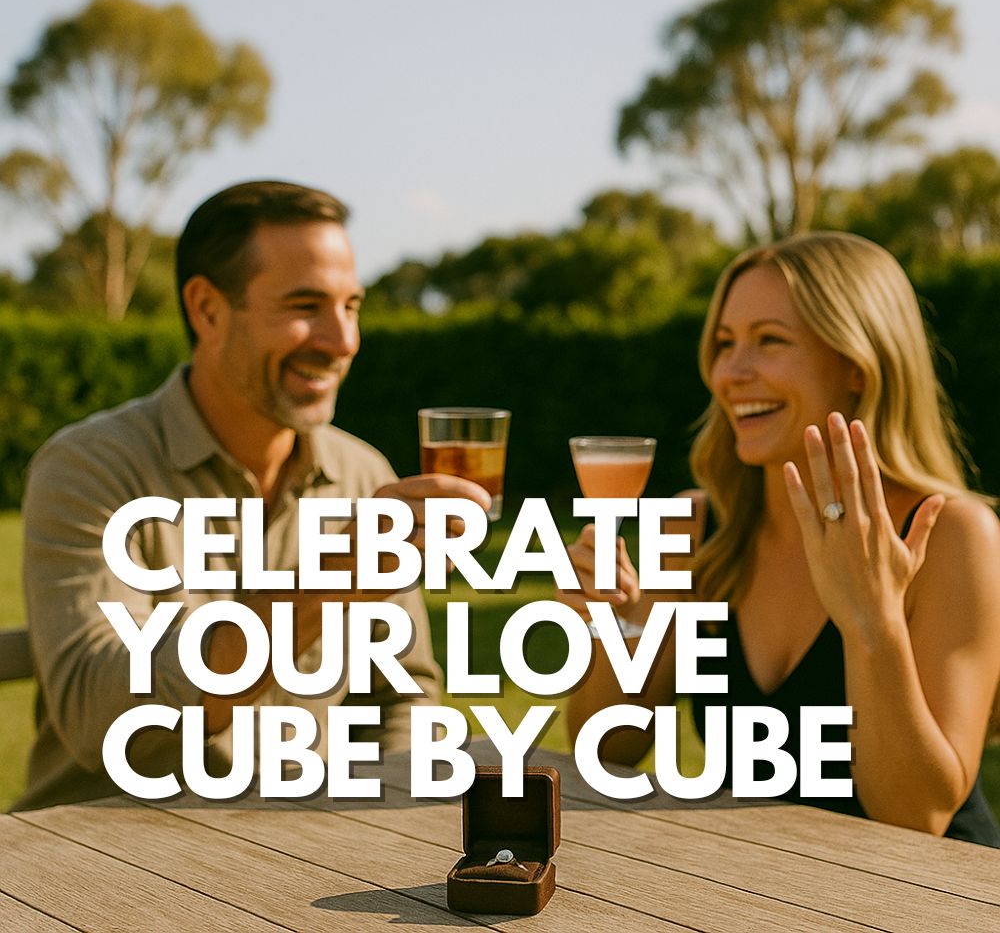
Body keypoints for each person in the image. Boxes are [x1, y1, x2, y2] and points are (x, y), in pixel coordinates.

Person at [14, 180, 489, 811]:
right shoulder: (89, 470)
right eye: (305, 305)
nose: (342, 340)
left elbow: (403, 697)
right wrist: (316, 589)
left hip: (295, 859)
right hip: (96, 866)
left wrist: (380, 812)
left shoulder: (361, 472)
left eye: (351, 306)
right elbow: (102, 721)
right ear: (207, 310)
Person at [559, 231, 1000, 846]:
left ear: (855, 364)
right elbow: (608, 750)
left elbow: (916, 818)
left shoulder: (952, 533)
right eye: (724, 343)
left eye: (769, 340)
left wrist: (874, 624)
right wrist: (618, 629)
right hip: (768, 889)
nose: (730, 374)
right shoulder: (692, 529)